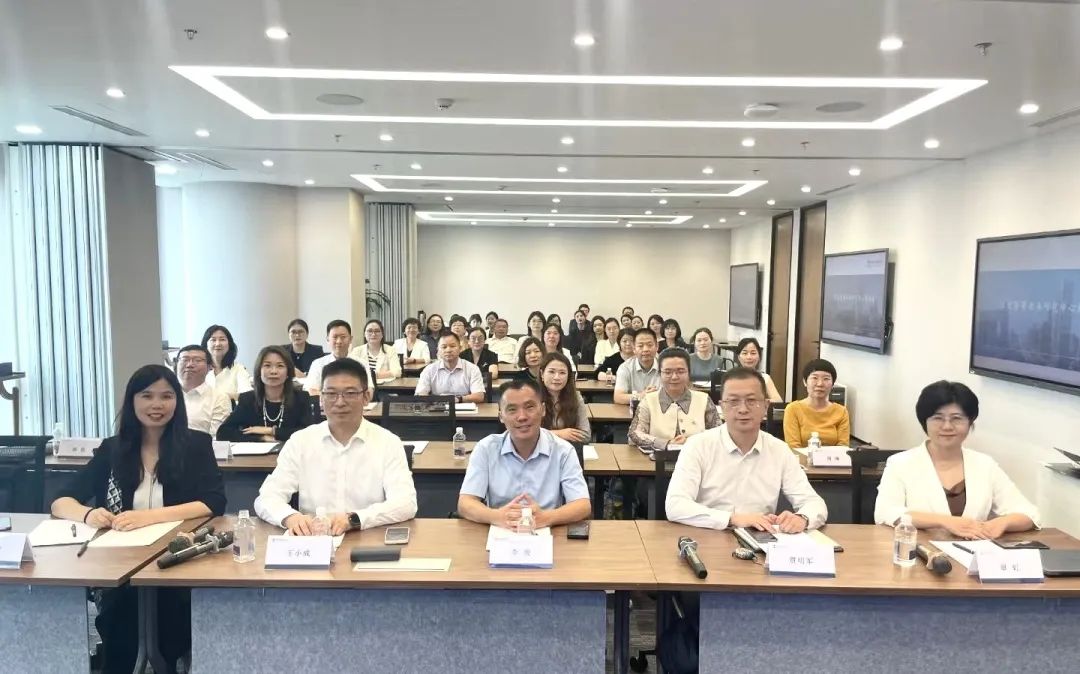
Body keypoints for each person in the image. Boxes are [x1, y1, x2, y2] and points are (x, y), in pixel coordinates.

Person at [52, 365, 226, 674]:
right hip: (120, 566)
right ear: (132, 400)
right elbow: (61, 501)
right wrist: (90, 514)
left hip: (177, 561)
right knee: (120, 623)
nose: (157, 405)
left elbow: (213, 502)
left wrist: (148, 517)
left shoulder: (196, 445)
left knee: (171, 620)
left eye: (166, 396)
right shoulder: (112, 449)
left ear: (177, 401)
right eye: (147, 396)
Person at [254, 358, 417, 534]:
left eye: (350, 393)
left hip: (367, 537)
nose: (340, 402)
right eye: (331, 394)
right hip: (314, 539)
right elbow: (267, 497)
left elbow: (405, 503)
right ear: (321, 398)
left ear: (366, 397)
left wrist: (354, 519)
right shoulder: (301, 441)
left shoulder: (388, 442)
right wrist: (290, 517)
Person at [665, 367, 827, 531]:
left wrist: (802, 518)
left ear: (765, 406)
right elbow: (675, 505)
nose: (743, 409)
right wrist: (732, 519)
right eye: (733, 401)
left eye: (751, 400)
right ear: (722, 406)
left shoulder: (779, 450)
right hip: (708, 535)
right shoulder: (698, 446)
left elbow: (814, 502)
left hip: (760, 538)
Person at [874, 381, 1039, 536]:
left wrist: (1002, 523)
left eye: (957, 418)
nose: (947, 426)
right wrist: (945, 521)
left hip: (973, 552)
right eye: (938, 418)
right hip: (917, 550)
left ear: (970, 422)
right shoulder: (900, 463)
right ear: (925, 422)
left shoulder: (984, 465)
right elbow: (885, 512)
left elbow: (1029, 514)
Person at [457, 379, 591, 529]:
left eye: (529, 407)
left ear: (543, 410)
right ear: (501, 416)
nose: (522, 416)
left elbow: (582, 505)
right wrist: (497, 517)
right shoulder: (486, 448)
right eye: (512, 409)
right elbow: (465, 503)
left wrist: (545, 518)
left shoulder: (563, 450)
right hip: (500, 530)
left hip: (547, 530)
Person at [629, 348, 719, 453]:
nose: (674, 377)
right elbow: (635, 433)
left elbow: (718, 433)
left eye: (680, 371)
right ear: (659, 374)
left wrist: (690, 441)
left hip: (698, 458)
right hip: (657, 459)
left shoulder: (703, 399)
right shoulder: (648, 400)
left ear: (689, 373)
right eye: (668, 372)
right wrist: (667, 443)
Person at [218, 345, 313, 442]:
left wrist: (272, 431)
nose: (273, 371)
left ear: (288, 372)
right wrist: (261, 438)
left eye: (280, 366)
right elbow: (223, 433)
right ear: (259, 371)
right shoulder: (248, 399)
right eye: (267, 365)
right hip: (256, 452)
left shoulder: (301, 398)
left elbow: (308, 433)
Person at [784, 358, 850, 448]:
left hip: (833, 457)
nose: (820, 384)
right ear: (805, 382)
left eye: (826, 379)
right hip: (801, 457)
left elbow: (843, 447)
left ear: (833, 384)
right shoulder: (793, 409)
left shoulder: (841, 411)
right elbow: (793, 447)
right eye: (814, 378)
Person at [174, 344, 231, 435]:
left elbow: (215, 437)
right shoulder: (167, 395)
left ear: (209, 367)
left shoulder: (219, 398)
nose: (189, 365)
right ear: (176, 364)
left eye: (197, 360)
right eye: (184, 360)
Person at [415, 333, 486, 403]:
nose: (448, 350)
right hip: (438, 407)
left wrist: (457, 399)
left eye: (452, 346)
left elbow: (479, 396)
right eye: (444, 347)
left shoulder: (472, 369)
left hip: (464, 407)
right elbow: (420, 395)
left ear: (460, 348)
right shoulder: (429, 370)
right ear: (438, 350)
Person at [539, 352, 591, 443]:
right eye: (551, 372)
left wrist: (546, 435)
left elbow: (585, 435)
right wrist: (560, 434)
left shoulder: (575, 397)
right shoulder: (532, 397)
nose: (557, 377)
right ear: (542, 374)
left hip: (568, 448)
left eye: (562, 373)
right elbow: (527, 434)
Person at [201, 324, 252, 401]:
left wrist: (221, 397)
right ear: (206, 344)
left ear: (229, 344)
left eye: (222, 339)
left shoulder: (238, 369)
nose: (217, 344)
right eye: (213, 340)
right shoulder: (199, 369)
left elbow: (248, 396)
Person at [305, 320, 355, 396]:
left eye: (343, 337)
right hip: (326, 403)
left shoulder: (361, 363)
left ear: (350, 339)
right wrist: (335, 397)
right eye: (335, 337)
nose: (339, 341)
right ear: (328, 339)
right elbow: (311, 390)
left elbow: (368, 390)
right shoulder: (318, 364)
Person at [614, 328, 660, 405]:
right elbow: (618, 397)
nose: (645, 349)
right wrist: (641, 396)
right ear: (634, 348)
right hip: (634, 410)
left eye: (649, 345)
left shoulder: (665, 366)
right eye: (640, 346)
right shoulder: (625, 367)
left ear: (657, 346)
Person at [733, 337, 783, 402]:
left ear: (759, 356)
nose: (749, 357)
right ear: (739, 357)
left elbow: (778, 401)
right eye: (745, 353)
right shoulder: (732, 378)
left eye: (753, 353)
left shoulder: (765, 378)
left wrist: (757, 402)